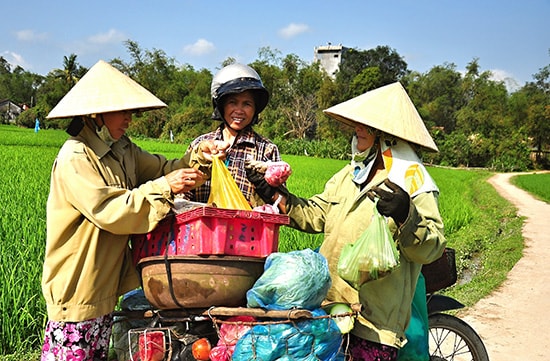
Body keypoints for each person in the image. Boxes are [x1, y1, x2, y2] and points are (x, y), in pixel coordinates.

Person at [246, 82, 447, 361]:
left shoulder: (413, 182)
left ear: (386, 137)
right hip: (330, 311)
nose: (357, 130)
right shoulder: (350, 174)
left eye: (366, 126)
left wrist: (405, 216)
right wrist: (278, 197)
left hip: (373, 323)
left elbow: (431, 247)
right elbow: (316, 214)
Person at [41, 60, 223, 361]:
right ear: (95, 113)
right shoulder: (77, 156)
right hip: (77, 286)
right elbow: (111, 210)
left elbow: (164, 168)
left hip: (104, 285)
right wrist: (166, 186)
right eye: (122, 110)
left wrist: (199, 157)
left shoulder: (123, 149)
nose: (129, 118)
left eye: (131, 111)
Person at [185, 63, 281, 207]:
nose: (239, 110)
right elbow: (183, 192)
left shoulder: (266, 149)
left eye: (247, 104)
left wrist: (265, 192)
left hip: (247, 228)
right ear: (221, 106)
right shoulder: (200, 145)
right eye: (232, 102)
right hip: (204, 228)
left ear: (255, 109)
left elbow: (279, 203)